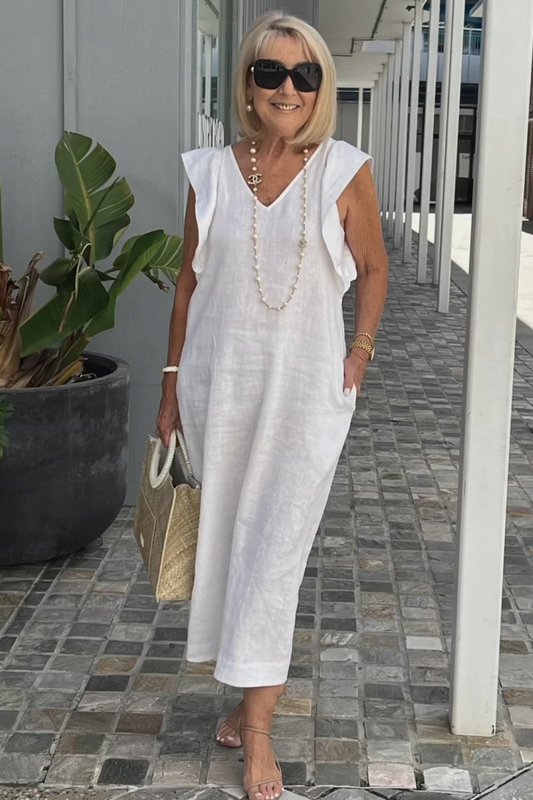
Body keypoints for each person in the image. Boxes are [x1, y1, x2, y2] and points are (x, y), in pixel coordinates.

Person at [157, 11, 388, 800]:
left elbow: (374, 268)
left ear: (320, 86)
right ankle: (245, 698)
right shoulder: (210, 173)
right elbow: (187, 284)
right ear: (247, 85)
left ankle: (257, 729)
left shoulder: (344, 170)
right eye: (270, 73)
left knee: (275, 551)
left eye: (304, 75)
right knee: (229, 544)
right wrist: (168, 384)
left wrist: (358, 353)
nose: (287, 89)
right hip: (216, 391)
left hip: (304, 399)